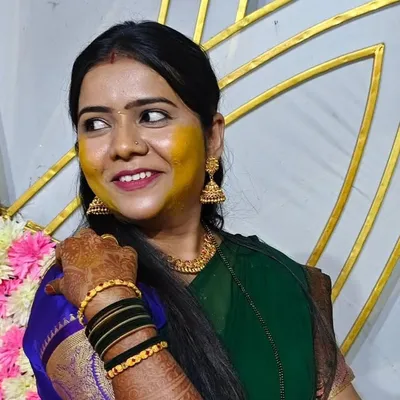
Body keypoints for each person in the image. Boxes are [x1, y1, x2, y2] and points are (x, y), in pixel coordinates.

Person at [23, 21, 361, 400]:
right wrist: (112, 309)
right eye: (96, 124)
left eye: (152, 116)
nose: (123, 146)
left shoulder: (279, 278)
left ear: (211, 136)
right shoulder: (80, 290)